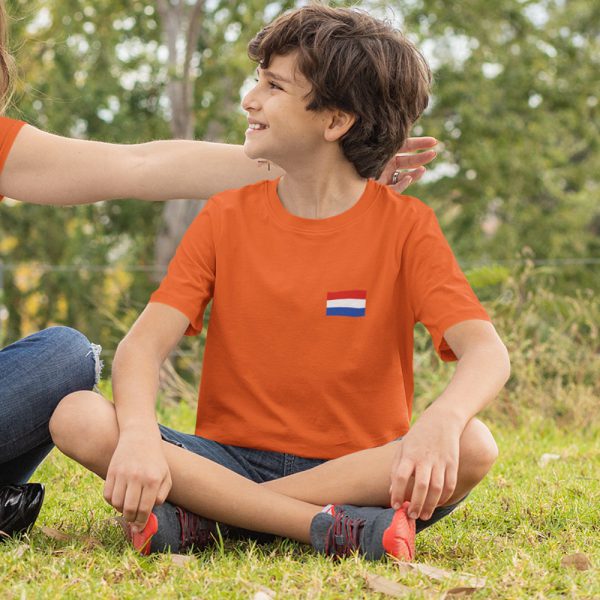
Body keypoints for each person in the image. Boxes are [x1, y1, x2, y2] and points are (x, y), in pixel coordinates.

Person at [50, 5, 509, 561]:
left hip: (355, 471)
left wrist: (443, 419)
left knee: (472, 443)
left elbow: (486, 352)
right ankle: (327, 527)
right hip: (225, 458)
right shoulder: (224, 217)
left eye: (273, 85)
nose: (251, 99)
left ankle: (212, 519)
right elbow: (142, 347)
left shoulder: (406, 227)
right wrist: (143, 435)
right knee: (78, 415)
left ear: (335, 121)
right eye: (257, 80)